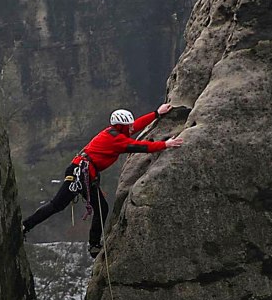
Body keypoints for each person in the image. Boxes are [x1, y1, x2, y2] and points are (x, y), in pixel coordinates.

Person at [22, 103, 183, 257]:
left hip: (84, 173)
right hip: (80, 173)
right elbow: (141, 146)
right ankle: (26, 225)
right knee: (57, 205)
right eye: (127, 125)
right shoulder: (116, 139)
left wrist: (156, 113)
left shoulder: (114, 132)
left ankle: (94, 245)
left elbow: (136, 126)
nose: (130, 128)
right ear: (121, 126)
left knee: (101, 208)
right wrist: (166, 144)